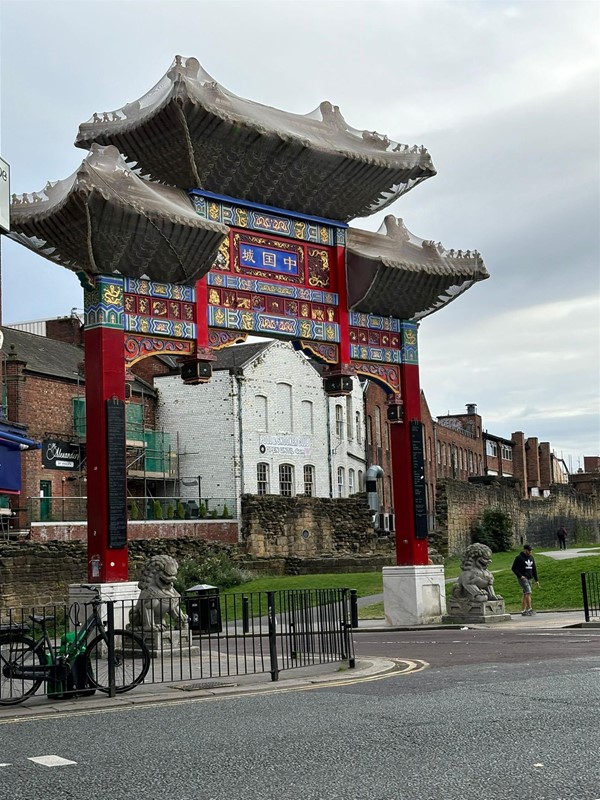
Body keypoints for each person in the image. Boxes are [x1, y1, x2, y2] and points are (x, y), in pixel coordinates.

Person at [512, 544, 540, 616]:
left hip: (530, 577)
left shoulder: (531, 557)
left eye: (531, 550)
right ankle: (529, 609)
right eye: (529, 550)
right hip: (523, 578)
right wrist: (520, 576)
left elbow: (534, 569)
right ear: (525, 550)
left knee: (525, 594)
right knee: (528, 592)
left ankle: (523, 610)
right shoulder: (519, 558)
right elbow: (514, 568)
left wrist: (536, 580)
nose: (530, 552)